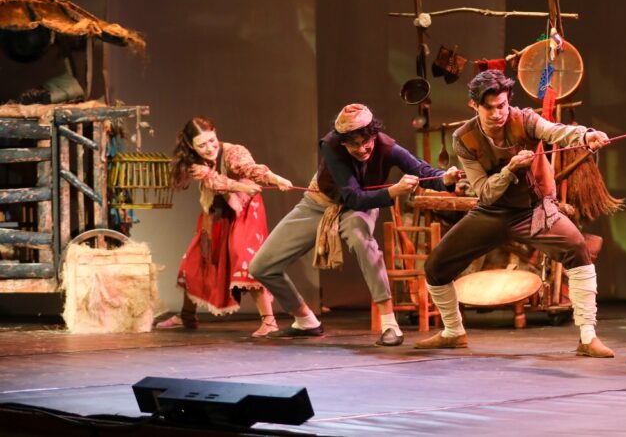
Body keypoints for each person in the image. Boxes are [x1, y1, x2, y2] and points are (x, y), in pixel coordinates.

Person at [414, 69, 614, 357]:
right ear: (474, 105)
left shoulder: (524, 120)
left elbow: (555, 131)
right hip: (491, 212)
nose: (498, 113)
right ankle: (453, 332)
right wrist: (509, 170)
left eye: (502, 105)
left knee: (577, 249)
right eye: (489, 107)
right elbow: (485, 192)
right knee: (436, 266)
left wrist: (586, 135)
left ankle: (588, 337)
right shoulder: (464, 138)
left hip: (532, 211)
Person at [250, 104, 459, 346]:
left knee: (360, 238)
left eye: (365, 142)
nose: (361, 149)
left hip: (361, 208)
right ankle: (305, 320)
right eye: (353, 145)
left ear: (374, 135)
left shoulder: (387, 146)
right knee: (261, 266)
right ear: (343, 143)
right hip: (320, 202)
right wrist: (393, 191)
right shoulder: (331, 146)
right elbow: (352, 196)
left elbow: (422, 171)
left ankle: (390, 324)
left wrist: (445, 179)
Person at [158, 117, 291, 337]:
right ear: (191, 145)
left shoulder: (233, 152)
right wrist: (240, 186)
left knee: (246, 258)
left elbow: (250, 169)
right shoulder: (194, 163)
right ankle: (187, 315)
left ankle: (269, 321)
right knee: (196, 259)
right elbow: (214, 181)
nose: (209, 148)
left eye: (212, 141)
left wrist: (275, 179)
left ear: (216, 133)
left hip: (245, 209)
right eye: (202, 145)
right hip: (217, 210)